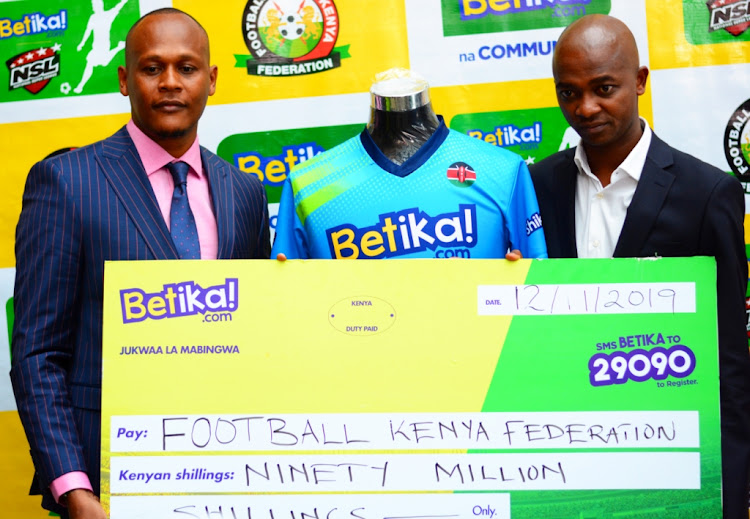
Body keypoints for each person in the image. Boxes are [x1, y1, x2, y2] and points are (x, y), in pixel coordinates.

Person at [10, 8, 270, 518]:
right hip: (105, 484)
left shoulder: (244, 191)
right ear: (126, 80)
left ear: (212, 80)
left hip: (227, 473)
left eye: (187, 68)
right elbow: (38, 353)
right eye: (152, 69)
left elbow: (254, 338)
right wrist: (74, 489)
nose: (170, 82)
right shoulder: (67, 181)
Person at [530, 14, 750, 519]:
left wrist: (732, 491)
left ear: (642, 82)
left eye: (604, 88)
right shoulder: (538, 185)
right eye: (569, 93)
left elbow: (729, 362)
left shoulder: (706, 193)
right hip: (565, 448)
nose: (585, 108)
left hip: (668, 450)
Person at [272, 68, 545, 261]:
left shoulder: (502, 170)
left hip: (482, 342)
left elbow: (536, 285)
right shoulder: (308, 183)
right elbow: (287, 302)